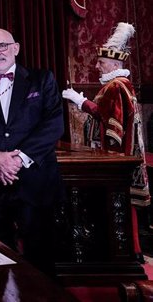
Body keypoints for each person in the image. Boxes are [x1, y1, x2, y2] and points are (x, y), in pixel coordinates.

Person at [0, 28, 63, 275]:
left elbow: (54, 124)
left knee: (40, 259)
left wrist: (17, 159)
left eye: (2, 46)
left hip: (35, 183)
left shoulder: (42, 79)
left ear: (15, 48)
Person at [62, 22, 149, 257]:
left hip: (116, 157)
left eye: (101, 62)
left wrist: (80, 102)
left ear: (113, 64)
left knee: (118, 204)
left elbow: (110, 122)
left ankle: (126, 252)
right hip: (122, 155)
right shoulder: (119, 85)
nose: (97, 66)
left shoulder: (115, 87)